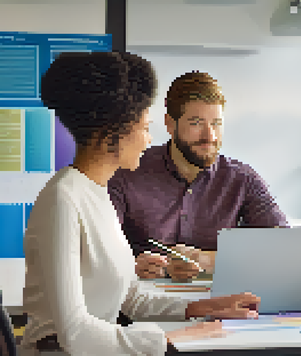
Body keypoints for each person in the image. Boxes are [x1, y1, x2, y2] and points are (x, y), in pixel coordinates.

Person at [21, 51, 260, 355]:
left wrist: (209, 306)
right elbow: (75, 333)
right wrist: (176, 338)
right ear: (113, 132)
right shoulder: (63, 199)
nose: (149, 141)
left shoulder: (97, 192)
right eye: (145, 127)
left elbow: (131, 298)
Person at [108, 71, 289, 280]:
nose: (209, 136)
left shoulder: (243, 179)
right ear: (169, 124)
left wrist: (210, 261)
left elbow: (283, 248)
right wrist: (129, 265)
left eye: (216, 123)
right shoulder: (128, 172)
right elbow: (94, 249)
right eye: (196, 123)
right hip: (140, 304)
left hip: (220, 307)